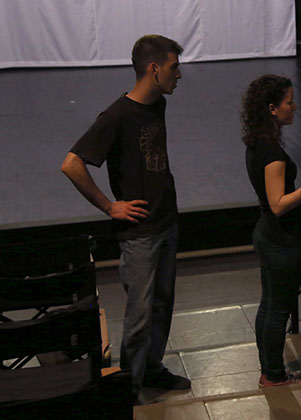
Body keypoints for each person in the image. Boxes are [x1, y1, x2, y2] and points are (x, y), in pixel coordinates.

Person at [61, 34, 190, 402]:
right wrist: (109, 206)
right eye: (174, 67)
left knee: (162, 305)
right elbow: (71, 164)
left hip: (166, 223)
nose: (179, 74)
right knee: (139, 315)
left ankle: (151, 369)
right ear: (154, 69)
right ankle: (127, 391)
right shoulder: (116, 116)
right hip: (140, 234)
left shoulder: (157, 104)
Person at [241, 74, 301, 387]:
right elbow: (278, 204)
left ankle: (270, 371)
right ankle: (274, 376)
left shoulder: (258, 143)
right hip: (280, 242)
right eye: (289, 102)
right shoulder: (273, 155)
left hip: (268, 236)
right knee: (278, 311)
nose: (294, 107)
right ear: (272, 108)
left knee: (268, 306)